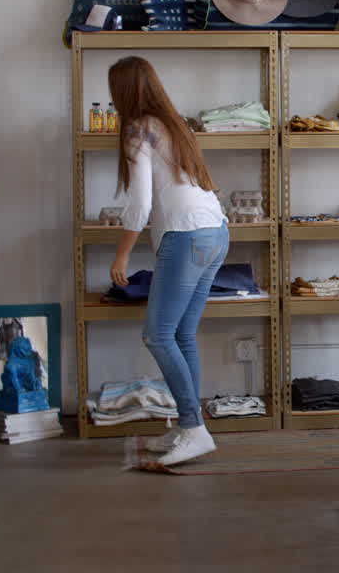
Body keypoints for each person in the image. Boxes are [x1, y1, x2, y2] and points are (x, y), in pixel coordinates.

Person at [108, 56, 228, 466]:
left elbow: (140, 204)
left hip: (187, 235)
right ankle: (186, 426)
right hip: (215, 232)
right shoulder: (175, 125)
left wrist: (122, 253)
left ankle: (194, 428)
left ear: (122, 92)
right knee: (182, 335)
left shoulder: (137, 128)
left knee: (157, 335)